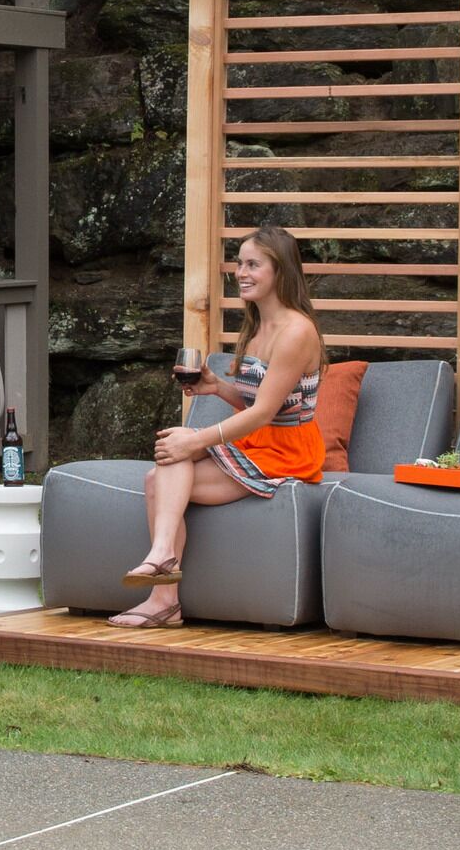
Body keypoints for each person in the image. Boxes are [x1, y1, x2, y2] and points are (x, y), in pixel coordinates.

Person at [116, 225, 324, 631]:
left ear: (280, 271)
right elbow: (262, 401)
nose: (241, 273)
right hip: (258, 442)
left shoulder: (297, 331)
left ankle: (162, 587)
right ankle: (162, 574)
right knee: (159, 471)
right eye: (239, 264)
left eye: (253, 265)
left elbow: (266, 414)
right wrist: (216, 387)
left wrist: (197, 438)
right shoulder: (258, 326)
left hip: (286, 452)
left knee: (166, 469)